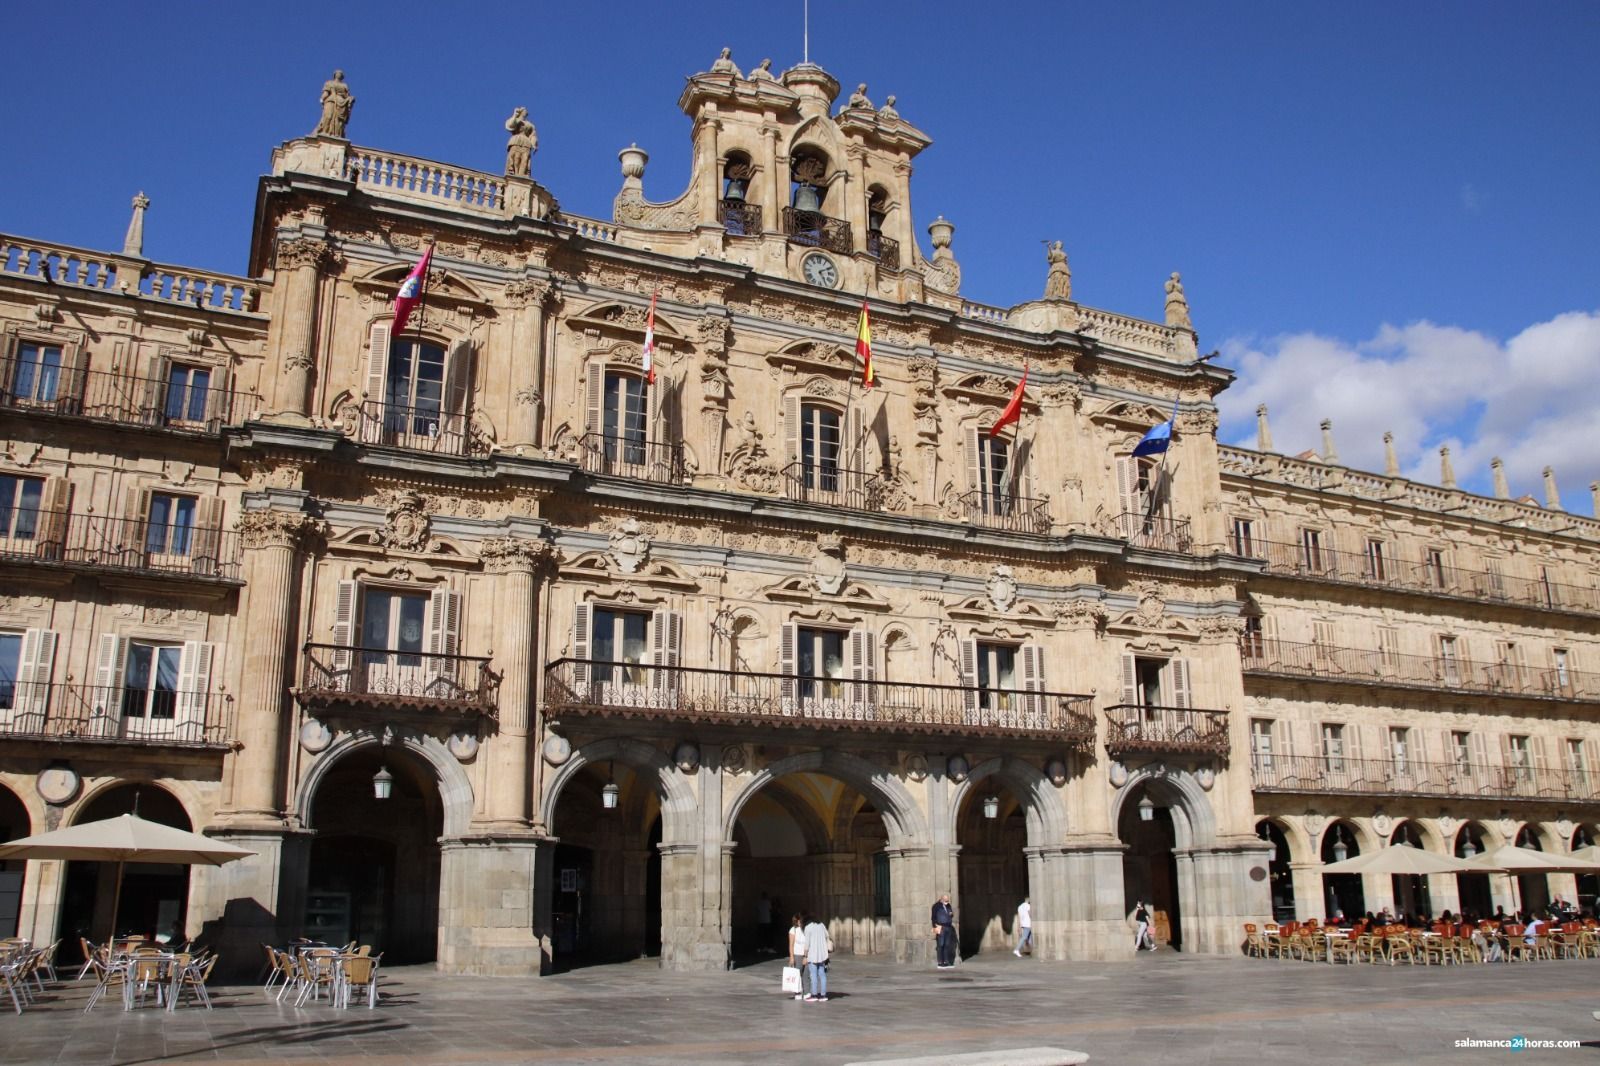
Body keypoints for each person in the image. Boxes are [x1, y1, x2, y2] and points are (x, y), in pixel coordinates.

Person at [801, 913, 830, 1001]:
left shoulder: (808, 927)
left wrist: (805, 956)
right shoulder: (821, 925)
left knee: (813, 975)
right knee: (822, 974)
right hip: (822, 954)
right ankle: (823, 995)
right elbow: (827, 936)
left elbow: (807, 944)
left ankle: (814, 995)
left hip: (812, 954)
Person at [931, 894, 956, 969]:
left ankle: (946, 962)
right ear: (941, 899)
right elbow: (933, 917)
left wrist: (951, 914)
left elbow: (951, 914)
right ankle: (940, 962)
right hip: (940, 927)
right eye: (945, 900)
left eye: (947, 900)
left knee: (947, 945)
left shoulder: (948, 905)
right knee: (940, 945)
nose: (947, 902)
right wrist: (935, 927)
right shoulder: (936, 906)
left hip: (948, 927)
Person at [786, 913, 807, 1001]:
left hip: (806, 954)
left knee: (806, 974)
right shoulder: (793, 930)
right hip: (797, 954)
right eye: (801, 920)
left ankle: (806, 992)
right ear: (797, 921)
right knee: (798, 974)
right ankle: (797, 992)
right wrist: (791, 957)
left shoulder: (806, 929)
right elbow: (791, 945)